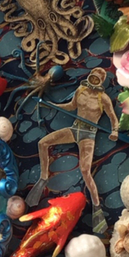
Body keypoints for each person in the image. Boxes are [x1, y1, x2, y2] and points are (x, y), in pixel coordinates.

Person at [26, 68, 119, 232]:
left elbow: (112, 116)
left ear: (102, 81)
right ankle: (43, 178)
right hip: (75, 129)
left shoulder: (103, 98)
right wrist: (54, 105)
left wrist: (115, 131)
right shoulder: (80, 90)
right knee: (43, 143)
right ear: (90, 76)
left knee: (85, 171)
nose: (94, 81)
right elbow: (71, 106)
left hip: (88, 135)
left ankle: (97, 207)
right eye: (93, 77)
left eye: (98, 79)